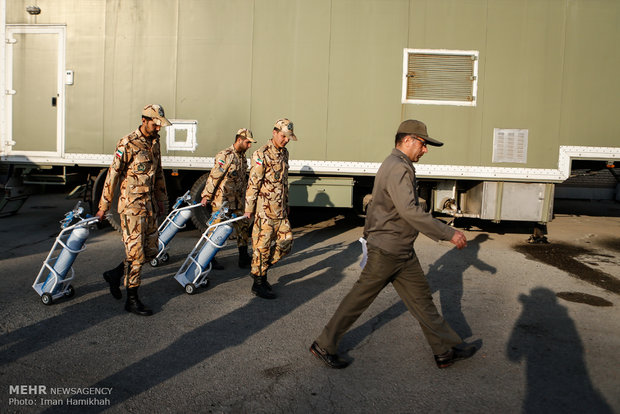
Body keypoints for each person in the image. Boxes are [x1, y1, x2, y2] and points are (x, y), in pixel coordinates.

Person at [309, 119, 476, 369]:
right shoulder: (398, 167)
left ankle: (444, 350)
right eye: (423, 143)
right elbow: (409, 211)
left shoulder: (397, 164)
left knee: (422, 301)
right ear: (407, 140)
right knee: (358, 299)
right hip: (388, 250)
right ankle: (324, 344)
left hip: (400, 250)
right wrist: (448, 233)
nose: (425, 149)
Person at [96, 104, 170, 316]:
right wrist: (103, 206)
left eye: (160, 125)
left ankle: (115, 274)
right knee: (136, 256)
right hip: (131, 208)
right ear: (144, 120)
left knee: (150, 251)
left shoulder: (155, 143)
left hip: (149, 206)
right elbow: (113, 175)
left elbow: (159, 173)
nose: (158, 128)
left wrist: (161, 198)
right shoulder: (127, 143)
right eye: (155, 124)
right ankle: (132, 298)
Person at [243, 118, 297, 299]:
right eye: (283, 136)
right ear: (274, 132)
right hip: (264, 212)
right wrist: (249, 209)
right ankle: (258, 282)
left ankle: (260, 269)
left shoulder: (284, 153)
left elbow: (284, 182)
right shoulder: (261, 154)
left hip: (280, 210)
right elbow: (253, 183)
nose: (286, 140)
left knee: (287, 242)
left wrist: (286, 203)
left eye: (288, 137)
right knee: (262, 247)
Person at [200, 128, 256, 269]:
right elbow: (214, 176)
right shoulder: (225, 155)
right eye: (248, 142)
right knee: (216, 229)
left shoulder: (242, 158)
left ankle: (243, 257)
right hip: (222, 201)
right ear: (239, 140)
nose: (249, 146)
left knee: (243, 227)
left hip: (237, 201)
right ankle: (208, 259)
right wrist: (206, 195)